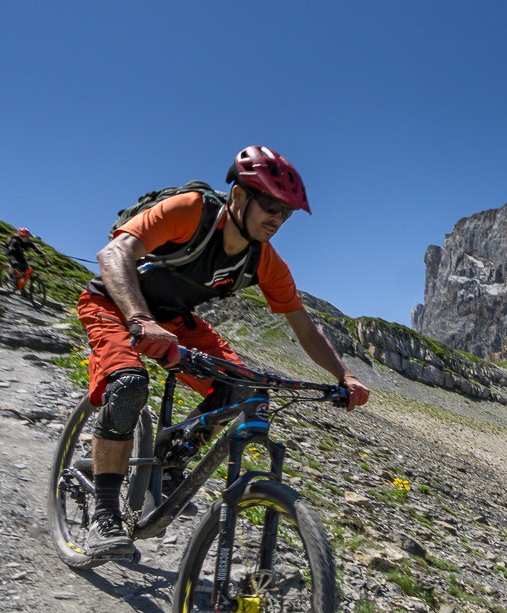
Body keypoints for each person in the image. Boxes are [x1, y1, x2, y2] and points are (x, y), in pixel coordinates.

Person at [77, 145, 370, 560]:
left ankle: (167, 462)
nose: (277, 218)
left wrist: (345, 377)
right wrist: (140, 318)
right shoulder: (189, 210)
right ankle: (104, 515)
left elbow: (305, 328)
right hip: (114, 303)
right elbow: (114, 253)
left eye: (285, 212)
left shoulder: (265, 260)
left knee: (244, 388)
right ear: (237, 196)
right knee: (128, 386)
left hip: (175, 320)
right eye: (270, 205)